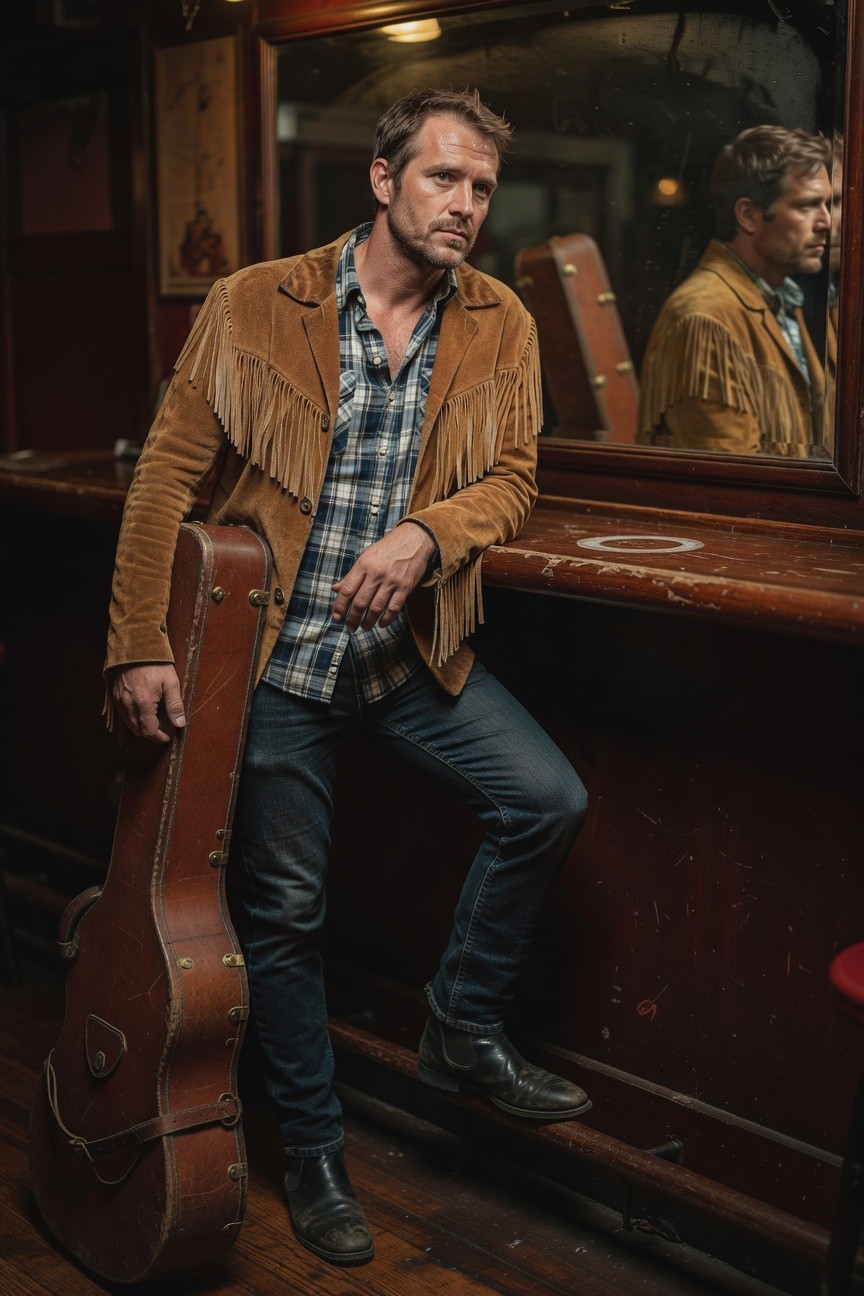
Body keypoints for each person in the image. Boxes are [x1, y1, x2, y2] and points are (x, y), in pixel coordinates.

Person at [105, 88, 590, 1269]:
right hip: (272, 664)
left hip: (410, 655)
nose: (465, 205)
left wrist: (428, 534)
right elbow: (166, 479)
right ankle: (315, 1154)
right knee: (286, 914)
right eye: (443, 179)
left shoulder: (502, 322)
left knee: (547, 799)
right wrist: (138, 640)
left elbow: (515, 480)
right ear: (383, 181)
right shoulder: (251, 301)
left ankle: (462, 1030)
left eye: (481, 187)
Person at [638, 125, 832, 456]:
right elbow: (729, 486)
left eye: (827, 204)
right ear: (748, 215)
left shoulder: (781, 299)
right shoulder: (704, 317)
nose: (826, 221)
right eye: (806, 206)